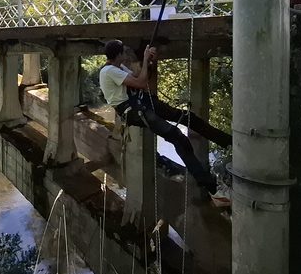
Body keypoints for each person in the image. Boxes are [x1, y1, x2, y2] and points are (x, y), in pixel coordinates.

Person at [99, 39, 231, 207]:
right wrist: (145, 59)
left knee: (186, 117)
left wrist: (150, 62)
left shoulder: (118, 69)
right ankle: (212, 189)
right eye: (123, 52)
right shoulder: (109, 71)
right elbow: (140, 83)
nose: (125, 55)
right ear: (119, 54)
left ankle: (226, 141)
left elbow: (142, 82)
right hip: (135, 111)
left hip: (142, 103)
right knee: (178, 137)